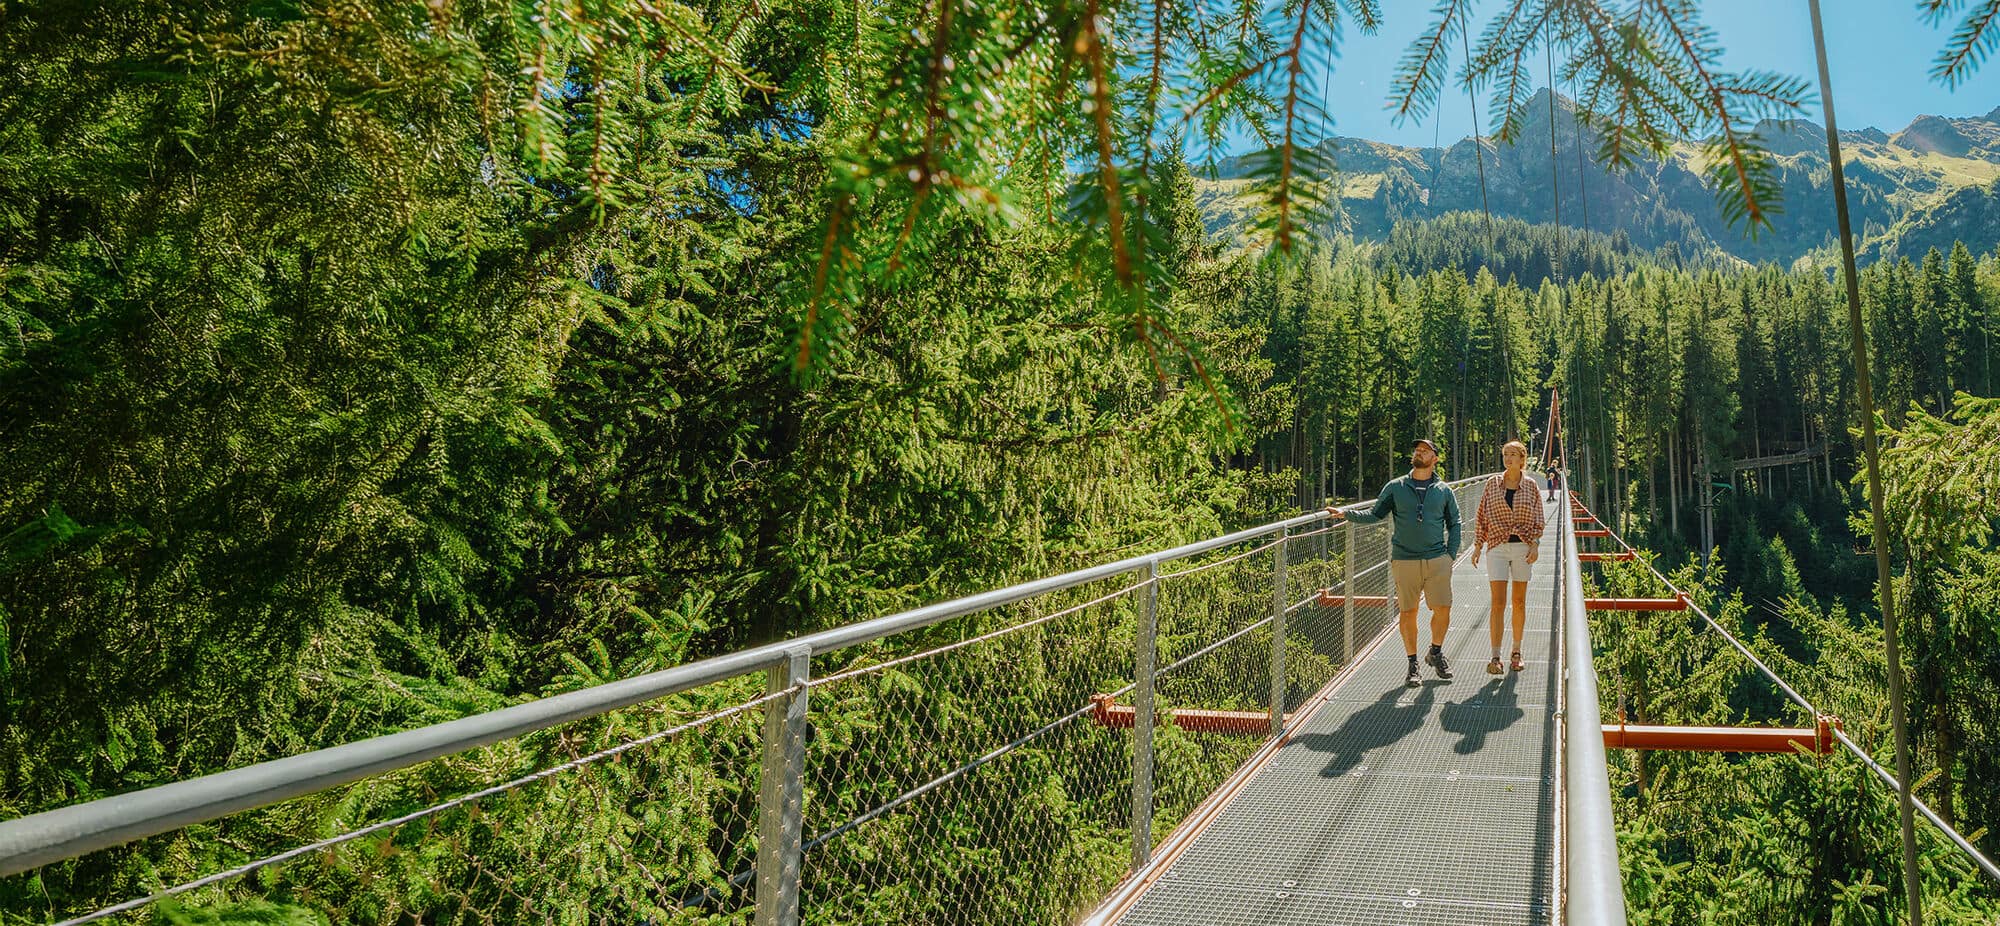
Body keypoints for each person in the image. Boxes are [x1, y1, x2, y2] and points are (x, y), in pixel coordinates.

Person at [1327, 438, 1462, 686]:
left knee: (1442, 609)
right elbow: (1375, 514)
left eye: (1425, 450)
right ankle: (1412, 664)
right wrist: (1347, 514)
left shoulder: (1444, 491)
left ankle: (1435, 651)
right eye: (1417, 449)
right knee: (1408, 611)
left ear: (1435, 458)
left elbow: (1455, 523)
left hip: (1436, 559)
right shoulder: (1395, 487)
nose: (1419, 452)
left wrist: (1450, 555)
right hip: (1404, 559)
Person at [1470, 441, 1544, 674]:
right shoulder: (1493, 484)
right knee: (1498, 602)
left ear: (1523, 459)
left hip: (1522, 547)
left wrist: (1535, 544)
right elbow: (1481, 515)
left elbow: (1539, 519)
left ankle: (1516, 652)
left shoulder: (1531, 486)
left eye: (1513, 454)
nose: (1508, 458)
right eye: (1505, 454)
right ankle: (1495, 656)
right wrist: (1477, 546)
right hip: (1497, 547)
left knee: (1519, 602)